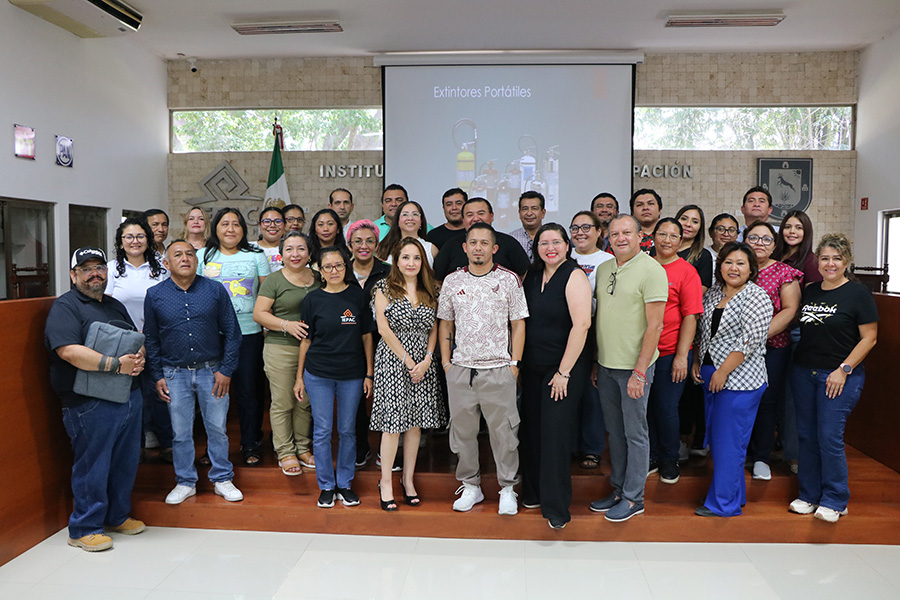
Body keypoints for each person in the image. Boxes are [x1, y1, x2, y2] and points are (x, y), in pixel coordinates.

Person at [45, 247, 147, 552]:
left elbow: (135, 338)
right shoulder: (66, 307)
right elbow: (68, 351)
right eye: (86, 269)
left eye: (100, 268)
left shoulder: (114, 305)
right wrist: (117, 365)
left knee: (124, 462)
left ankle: (116, 516)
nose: (95, 274)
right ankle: (84, 527)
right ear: (74, 275)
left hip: (127, 396)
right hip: (87, 402)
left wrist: (139, 359)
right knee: (93, 464)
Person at [144, 240, 244, 506]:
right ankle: (185, 482)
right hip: (174, 373)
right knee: (180, 432)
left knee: (217, 429)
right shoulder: (155, 295)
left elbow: (233, 333)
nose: (185, 258)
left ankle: (222, 478)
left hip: (212, 372)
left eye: (189, 254)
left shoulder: (214, 290)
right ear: (166, 264)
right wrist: (158, 375)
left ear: (197, 260)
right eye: (177, 255)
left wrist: (226, 370)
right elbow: (151, 340)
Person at [438, 223, 528, 515]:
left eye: (484, 243)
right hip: (461, 369)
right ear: (465, 247)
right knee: (462, 432)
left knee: (504, 434)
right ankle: (471, 486)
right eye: (473, 242)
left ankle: (507, 489)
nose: (478, 247)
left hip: (499, 368)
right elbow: (445, 323)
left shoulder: (509, 280)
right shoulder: (452, 281)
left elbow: (518, 323)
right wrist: (446, 363)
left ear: (494, 248)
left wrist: (514, 364)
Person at [789, 233, 878, 523]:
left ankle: (835, 499)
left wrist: (844, 369)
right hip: (803, 371)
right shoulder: (811, 290)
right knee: (807, 436)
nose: (830, 263)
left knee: (829, 437)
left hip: (838, 375)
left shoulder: (858, 294)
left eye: (837, 258)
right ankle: (809, 495)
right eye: (825, 258)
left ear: (847, 262)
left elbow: (870, 338)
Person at [589, 215, 667, 522]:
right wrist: (597, 361)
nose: (621, 238)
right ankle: (619, 489)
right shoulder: (604, 268)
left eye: (627, 233)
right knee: (615, 432)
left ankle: (635, 498)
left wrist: (639, 371)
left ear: (639, 236)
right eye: (615, 233)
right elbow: (603, 320)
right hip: (607, 366)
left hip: (635, 369)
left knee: (635, 434)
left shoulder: (652, 270)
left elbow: (655, 325)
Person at [691, 242, 772, 517]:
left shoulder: (757, 296)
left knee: (729, 444)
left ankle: (723, 505)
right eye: (728, 262)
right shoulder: (713, 294)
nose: (733, 268)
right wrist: (697, 362)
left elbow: (748, 340)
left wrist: (723, 372)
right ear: (720, 265)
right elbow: (703, 333)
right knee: (722, 441)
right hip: (710, 374)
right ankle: (735, 497)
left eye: (740, 263)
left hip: (740, 381)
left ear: (751, 268)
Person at [521, 224, 592, 529]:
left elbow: (582, 325)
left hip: (563, 369)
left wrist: (564, 372)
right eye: (543, 243)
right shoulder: (534, 276)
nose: (550, 247)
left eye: (556, 242)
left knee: (554, 436)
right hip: (533, 367)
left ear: (567, 245)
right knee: (531, 431)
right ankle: (533, 492)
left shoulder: (574, 275)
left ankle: (557, 508)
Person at [294, 246, 375, 508]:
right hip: (318, 374)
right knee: (322, 431)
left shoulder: (357, 295)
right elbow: (306, 341)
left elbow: (366, 337)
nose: (334, 271)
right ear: (320, 270)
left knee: (347, 430)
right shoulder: (312, 300)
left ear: (346, 266)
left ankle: (345, 483)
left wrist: (369, 373)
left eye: (339, 265)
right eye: (327, 266)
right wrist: (299, 378)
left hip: (352, 374)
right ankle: (326, 486)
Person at [371, 238, 446, 510]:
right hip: (393, 359)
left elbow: (435, 328)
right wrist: (407, 359)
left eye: (416, 258)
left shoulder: (430, 290)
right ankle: (386, 481)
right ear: (396, 260)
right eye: (405, 257)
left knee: (415, 424)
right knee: (393, 425)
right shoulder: (384, 288)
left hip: (423, 363)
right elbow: (383, 328)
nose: (411, 263)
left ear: (422, 262)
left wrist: (426, 359)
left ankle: (408, 479)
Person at [198, 208, 270, 465]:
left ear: (243, 229)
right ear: (215, 228)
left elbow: (267, 292)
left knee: (250, 391)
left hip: (249, 332)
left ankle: (250, 444)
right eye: (225, 224)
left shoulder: (256, 255)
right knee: (213, 393)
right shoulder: (202, 255)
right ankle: (212, 448)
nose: (231, 229)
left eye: (236, 224)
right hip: (211, 336)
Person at [253, 232, 321, 475]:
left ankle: (302, 447)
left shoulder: (319, 278)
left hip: (314, 350)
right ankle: (285, 451)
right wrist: (286, 325)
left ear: (309, 253)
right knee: (283, 401)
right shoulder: (274, 280)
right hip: (280, 347)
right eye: (290, 249)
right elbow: (259, 314)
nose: (296, 254)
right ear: (282, 254)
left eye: (301, 249)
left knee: (305, 401)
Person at [105, 218, 172, 461]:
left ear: (149, 239)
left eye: (140, 236)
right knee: (132, 396)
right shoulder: (111, 269)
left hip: (157, 341)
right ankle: (137, 447)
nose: (135, 241)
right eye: (129, 237)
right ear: (121, 242)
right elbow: (106, 307)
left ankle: (167, 443)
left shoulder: (161, 269)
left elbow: (169, 304)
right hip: (123, 344)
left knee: (160, 391)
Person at [744, 222, 802, 481]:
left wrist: (756, 337)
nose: (759, 243)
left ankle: (761, 457)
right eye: (754, 237)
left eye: (766, 239)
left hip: (773, 348)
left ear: (775, 244)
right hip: (735, 350)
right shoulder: (736, 268)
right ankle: (739, 452)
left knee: (766, 402)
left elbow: (790, 310)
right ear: (745, 239)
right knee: (739, 401)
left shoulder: (785, 272)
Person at [647, 219, 703, 485]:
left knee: (666, 408)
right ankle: (651, 456)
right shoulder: (642, 265)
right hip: (642, 353)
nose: (667, 240)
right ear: (653, 237)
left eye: (673, 236)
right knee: (644, 408)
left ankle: (669, 459)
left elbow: (690, 316)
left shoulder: (687, 271)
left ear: (680, 241)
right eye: (662, 234)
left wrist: (683, 356)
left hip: (671, 351)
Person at [569, 210, 613, 469]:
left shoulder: (608, 260)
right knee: (569, 390)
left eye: (587, 227)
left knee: (593, 391)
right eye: (575, 227)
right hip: (568, 331)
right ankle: (570, 444)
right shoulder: (563, 256)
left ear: (599, 232)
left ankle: (592, 447)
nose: (580, 232)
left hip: (598, 329)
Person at [347, 219, 391, 468]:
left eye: (369, 241)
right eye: (358, 241)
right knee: (355, 398)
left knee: (384, 396)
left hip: (384, 341)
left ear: (377, 244)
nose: (364, 246)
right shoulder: (340, 269)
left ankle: (387, 450)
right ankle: (360, 447)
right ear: (349, 244)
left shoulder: (388, 271)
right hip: (350, 343)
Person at [432, 198, 531, 281]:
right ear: (463, 220)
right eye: (470, 215)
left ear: (491, 216)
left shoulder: (509, 242)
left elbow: (525, 273)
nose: (475, 218)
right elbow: (437, 279)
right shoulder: (451, 245)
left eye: (481, 213)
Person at [376, 200, 438, 267]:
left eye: (415, 214)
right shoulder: (384, 248)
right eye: (405, 214)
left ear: (421, 221)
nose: (410, 218)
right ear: (397, 221)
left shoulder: (431, 249)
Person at [773, 210, 823, 287]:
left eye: (799, 228)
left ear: (806, 232)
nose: (792, 231)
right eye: (787, 227)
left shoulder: (811, 261)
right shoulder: (774, 255)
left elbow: (814, 295)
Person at [675, 205, 713, 291]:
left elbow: (701, 290)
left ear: (700, 228)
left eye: (695, 222)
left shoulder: (704, 256)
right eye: (684, 219)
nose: (688, 224)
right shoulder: (659, 249)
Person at [509, 191, 546, 261]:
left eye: (534, 208)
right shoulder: (511, 239)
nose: (529, 213)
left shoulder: (550, 237)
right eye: (525, 209)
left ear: (543, 213)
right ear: (519, 213)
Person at [252, 206, 286, 272]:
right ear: (260, 225)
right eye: (267, 221)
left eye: (278, 221)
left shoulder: (292, 249)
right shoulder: (249, 248)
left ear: (284, 225)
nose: (272, 225)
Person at [629, 189, 662, 254]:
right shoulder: (624, 237)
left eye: (650, 204)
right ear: (632, 212)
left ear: (659, 210)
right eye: (639, 205)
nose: (645, 208)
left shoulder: (670, 236)